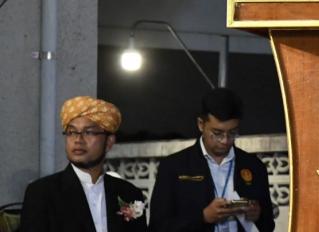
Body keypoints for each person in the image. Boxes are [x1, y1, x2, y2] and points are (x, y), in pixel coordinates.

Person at [149, 88, 274, 232]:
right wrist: (203, 217)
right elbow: (157, 226)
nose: (225, 140)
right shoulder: (173, 167)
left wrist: (258, 215)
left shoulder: (254, 166)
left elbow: (268, 225)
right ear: (201, 124)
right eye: (217, 133)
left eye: (232, 132)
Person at [20, 96, 148, 232]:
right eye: (71, 132)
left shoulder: (129, 193)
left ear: (109, 142)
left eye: (88, 132)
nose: (78, 139)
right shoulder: (42, 193)